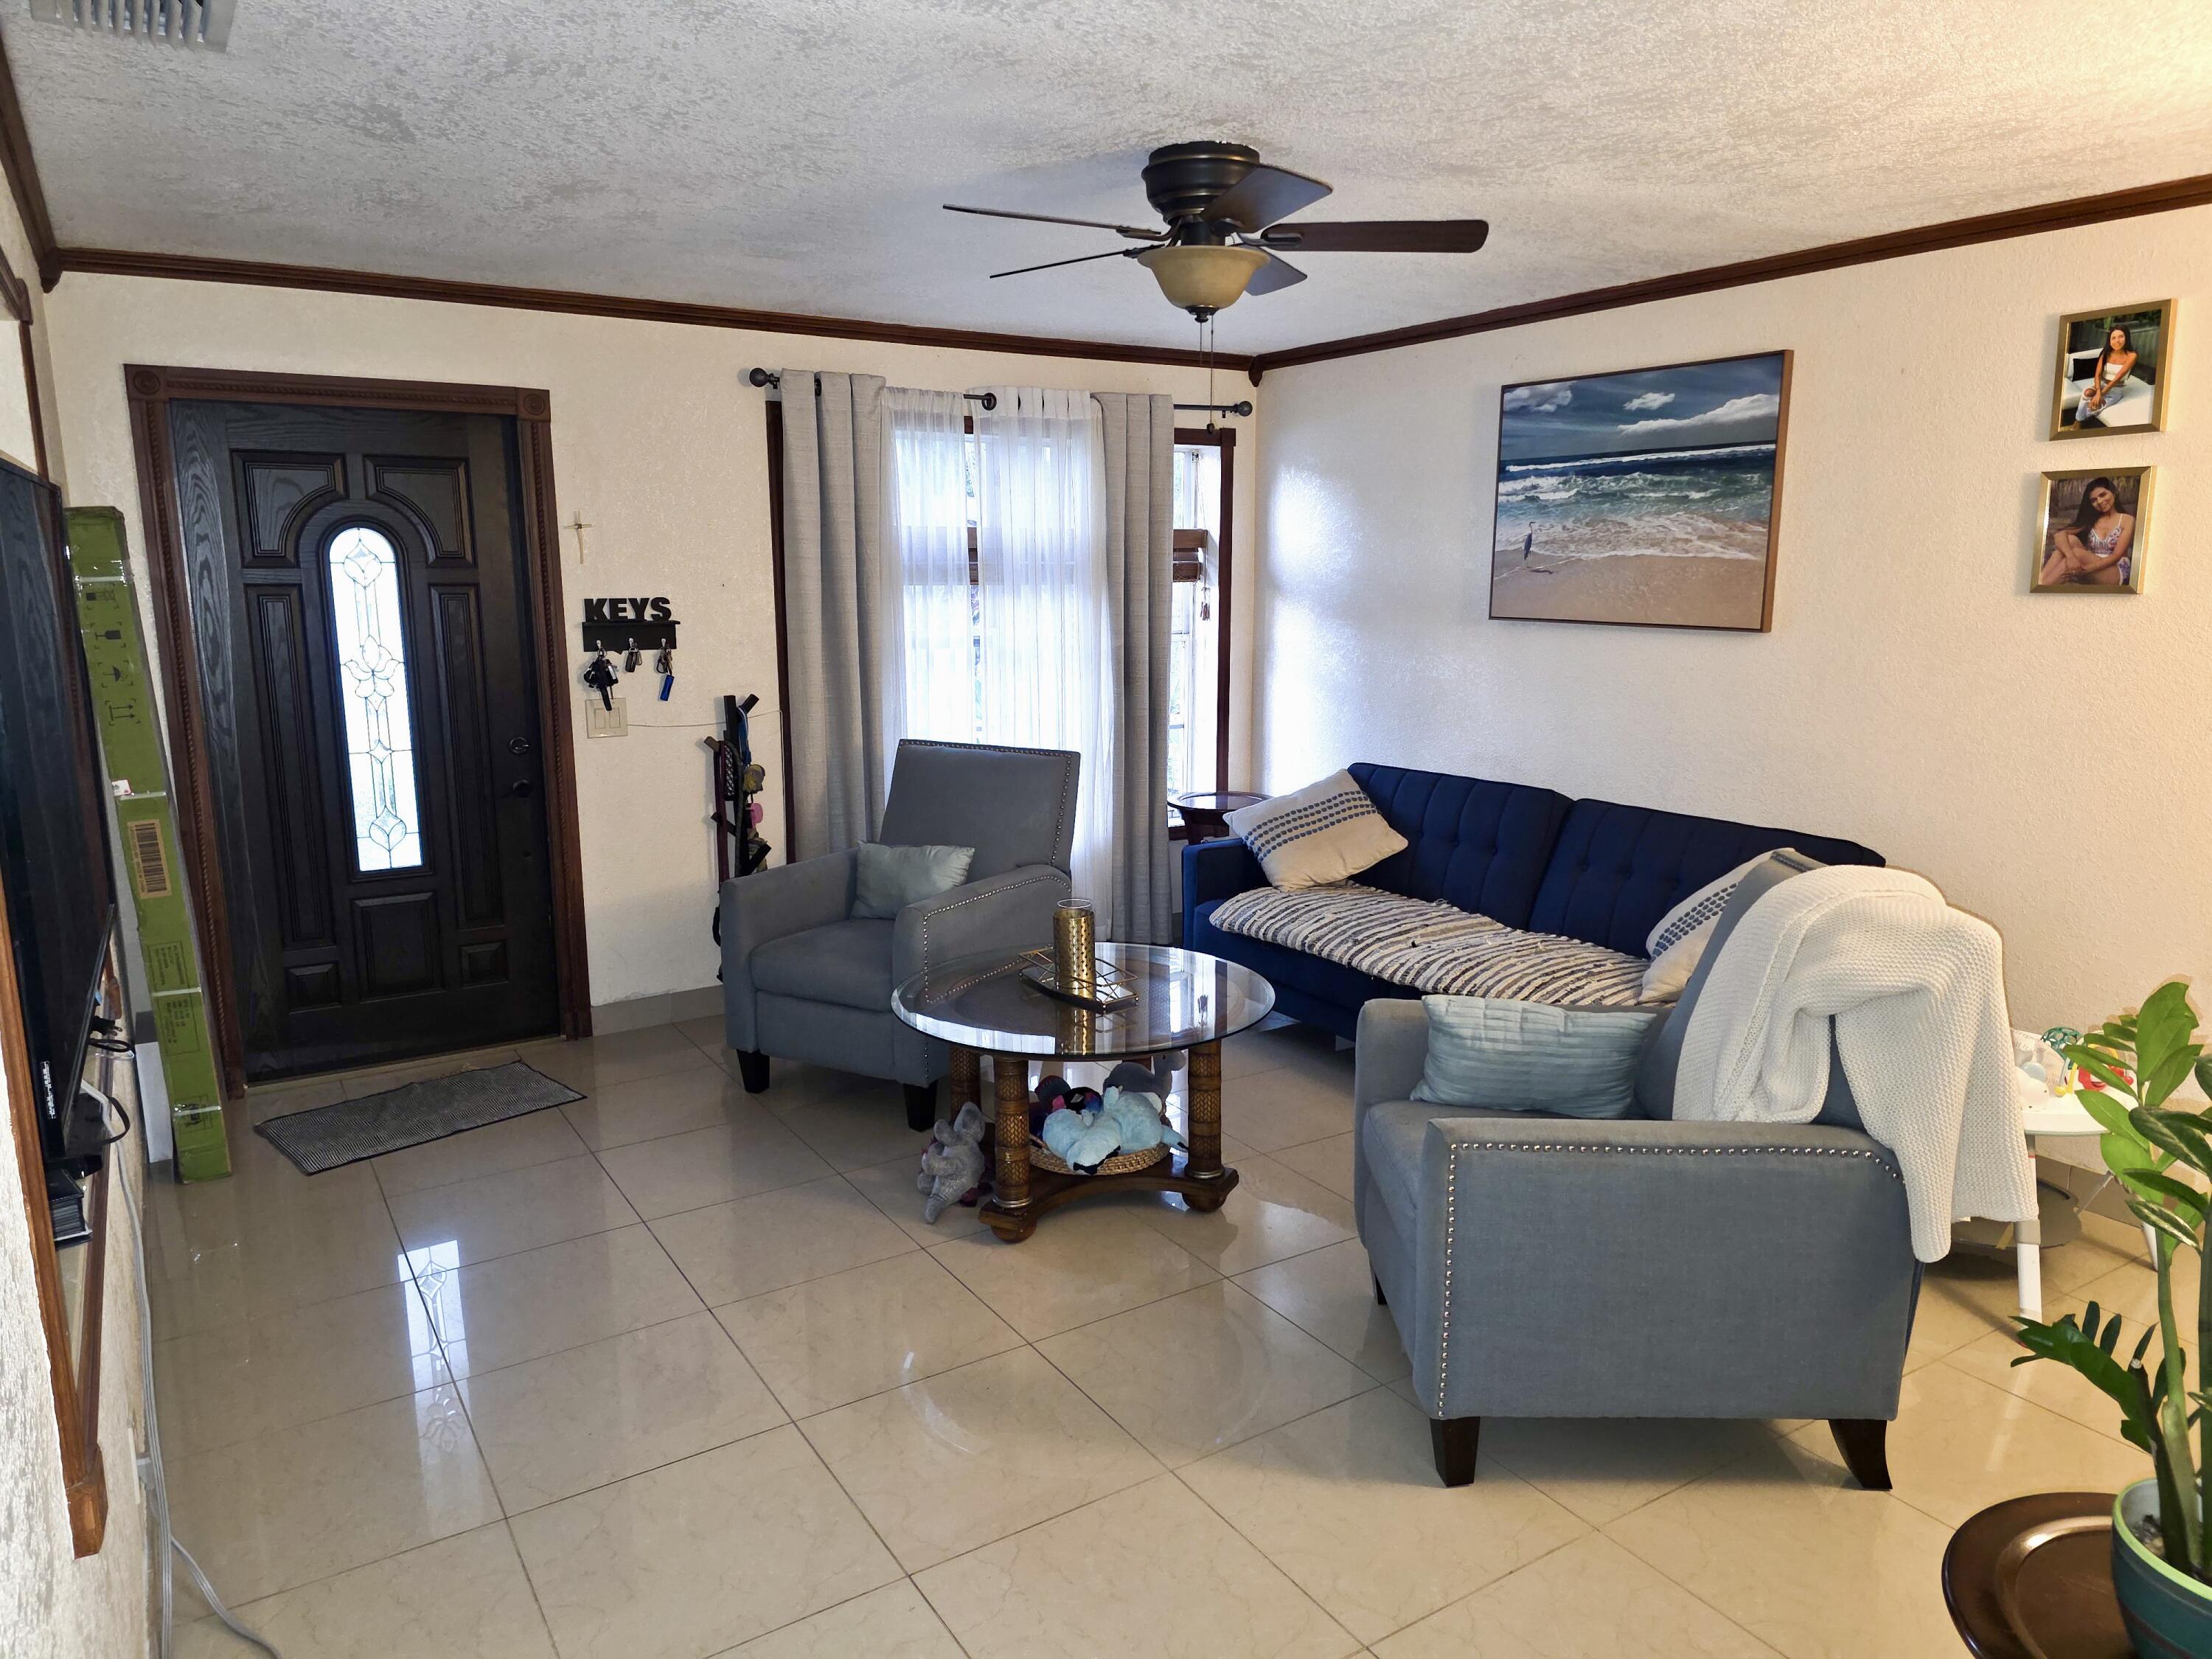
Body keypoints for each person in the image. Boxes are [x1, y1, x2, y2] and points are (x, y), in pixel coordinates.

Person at [2039, 476, 2135, 587]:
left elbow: (2116, 556)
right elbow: (2060, 534)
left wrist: (2084, 569)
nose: (2099, 502)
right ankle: (2040, 583)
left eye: (2103, 495)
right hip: (2090, 561)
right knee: (2069, 540)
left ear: (2114, 492)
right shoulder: (2092, 518)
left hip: (2115, 569)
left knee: (2077, 553)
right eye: (2094, 500)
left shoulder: (2127, 520)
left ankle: (2041, 588)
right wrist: (2070, 557)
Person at [2070, 325, 2138, 427]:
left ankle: (2077, 422)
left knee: (2094, 406)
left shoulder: (2132, 355)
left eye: (2121, 337)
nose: (2117, 341)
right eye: (2113, 338)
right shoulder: (2106, 353)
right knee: (2087, 392)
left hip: (2115, 390)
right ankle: (2077, 421)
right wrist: (2098, 392)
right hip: (2101, 385)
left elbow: (2117, 379)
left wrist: (2101, 395)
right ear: (2110, 341)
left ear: (2127, 338)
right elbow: (2097, 375)